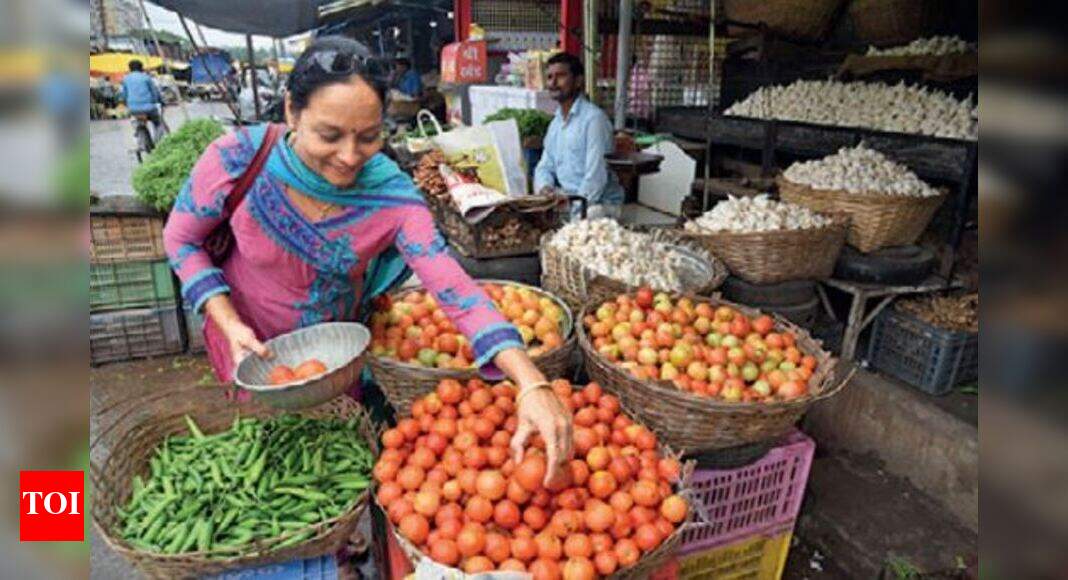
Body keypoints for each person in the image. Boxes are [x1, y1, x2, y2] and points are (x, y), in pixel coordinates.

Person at [163, 37, 572, 485]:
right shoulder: (239, 158)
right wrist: (227, 321)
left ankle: (338, 541)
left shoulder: (390, 195)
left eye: (369, 136)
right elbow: (182, 241)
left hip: (334, 359)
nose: (349, 156)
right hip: (245, 344)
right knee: (266, 459)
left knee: (332, 460)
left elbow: (453, 286)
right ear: (290, 112)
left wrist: (530, 380)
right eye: (329, 135)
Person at [534, 52, 623, 220]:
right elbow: (544, 167)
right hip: (570, 201)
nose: (553, 83)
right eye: (550, 77)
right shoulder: (556, 123)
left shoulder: (594, 120)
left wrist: (574, 212)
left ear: (578, 81)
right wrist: (545, 188)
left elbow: (596, 177)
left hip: (598, 205)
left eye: (560, 76)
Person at [119, 60, 167, 141]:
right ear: (141, 68)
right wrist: (158, 101)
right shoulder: (146, 78)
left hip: (133, 109)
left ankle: (138, 134)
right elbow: (154, 92)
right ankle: (158, 142)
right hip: (149, 108)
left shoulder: (125, 79)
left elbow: (124, 95)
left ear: (130, 68)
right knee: (158, 123)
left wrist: (126, 103)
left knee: (135, 122)